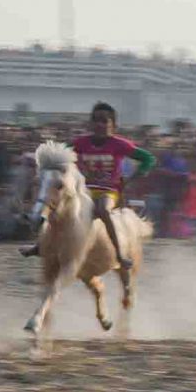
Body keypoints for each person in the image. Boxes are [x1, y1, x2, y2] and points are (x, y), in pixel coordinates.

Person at [20, 102, 155, 268]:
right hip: (84, 192)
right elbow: (59, 155)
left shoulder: (120, 145)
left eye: (105, 121)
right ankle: (40, 246)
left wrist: (129, 179)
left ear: (113, 126)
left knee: (103, 210)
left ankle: (119, 254)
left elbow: (148, 159)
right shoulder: (81, 143)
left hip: (109, 192)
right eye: (96, 121)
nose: (100, 125)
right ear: (90, 124)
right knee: (57, 207)